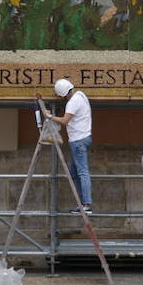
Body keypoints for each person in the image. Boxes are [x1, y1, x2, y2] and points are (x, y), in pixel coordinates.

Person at [39, 78, 94, 214]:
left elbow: (64, 120)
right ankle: (82, 204)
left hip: (78, 140)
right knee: (75, 173)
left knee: (82, 172)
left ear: (63, 94)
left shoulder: (72, 103)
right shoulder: (81, 95)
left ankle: (86, 205)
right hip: (84, 137)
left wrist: (49, 116)